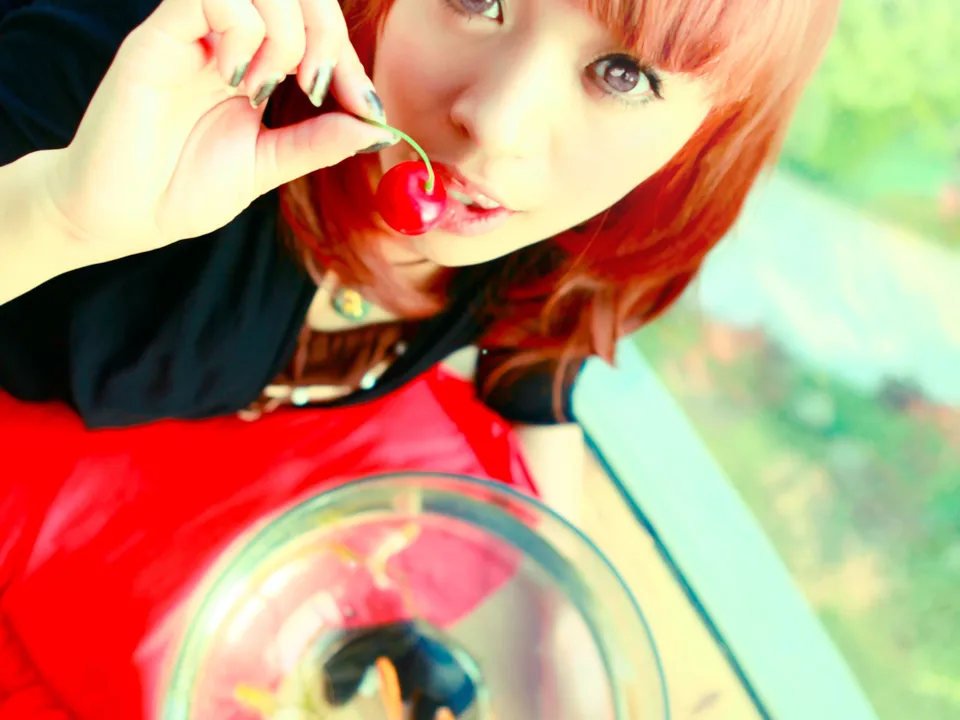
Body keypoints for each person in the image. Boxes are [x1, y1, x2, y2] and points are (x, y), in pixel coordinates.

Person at [0, 0, 840, 717]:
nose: (496, 123)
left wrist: (567, 648)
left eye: (622, 74)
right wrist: (58, 216)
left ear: (707, 131)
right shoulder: (142, 74)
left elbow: (537, 383)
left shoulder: (563, 249)